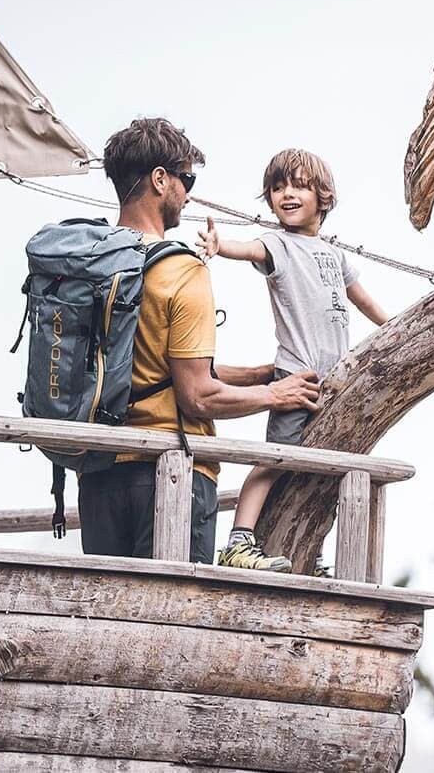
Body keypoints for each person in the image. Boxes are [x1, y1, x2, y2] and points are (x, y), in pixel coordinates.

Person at [79, 118, 320, 563]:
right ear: (159, 180)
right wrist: (275, 393)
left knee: (109, 619)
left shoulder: (95, 265)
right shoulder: (180, 270)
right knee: (173, 624)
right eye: (185, 179)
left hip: (98, 475)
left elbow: (147, 367)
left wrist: (261, 373)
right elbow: (197, 396)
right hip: (170, 476)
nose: (188, 194)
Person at [199, 147, 389, 573]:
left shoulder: (335, 255)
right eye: (278, 187)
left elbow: (364, 302)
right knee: (276, 459)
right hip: (297, 375)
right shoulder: (278, 245)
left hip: (336, 380)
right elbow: (249, 249)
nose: (287, 194)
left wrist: (398, 327)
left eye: (299, 186)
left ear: (323, 196)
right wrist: (219, 245)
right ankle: (238, 541)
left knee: (319, 470)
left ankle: (310, 553)